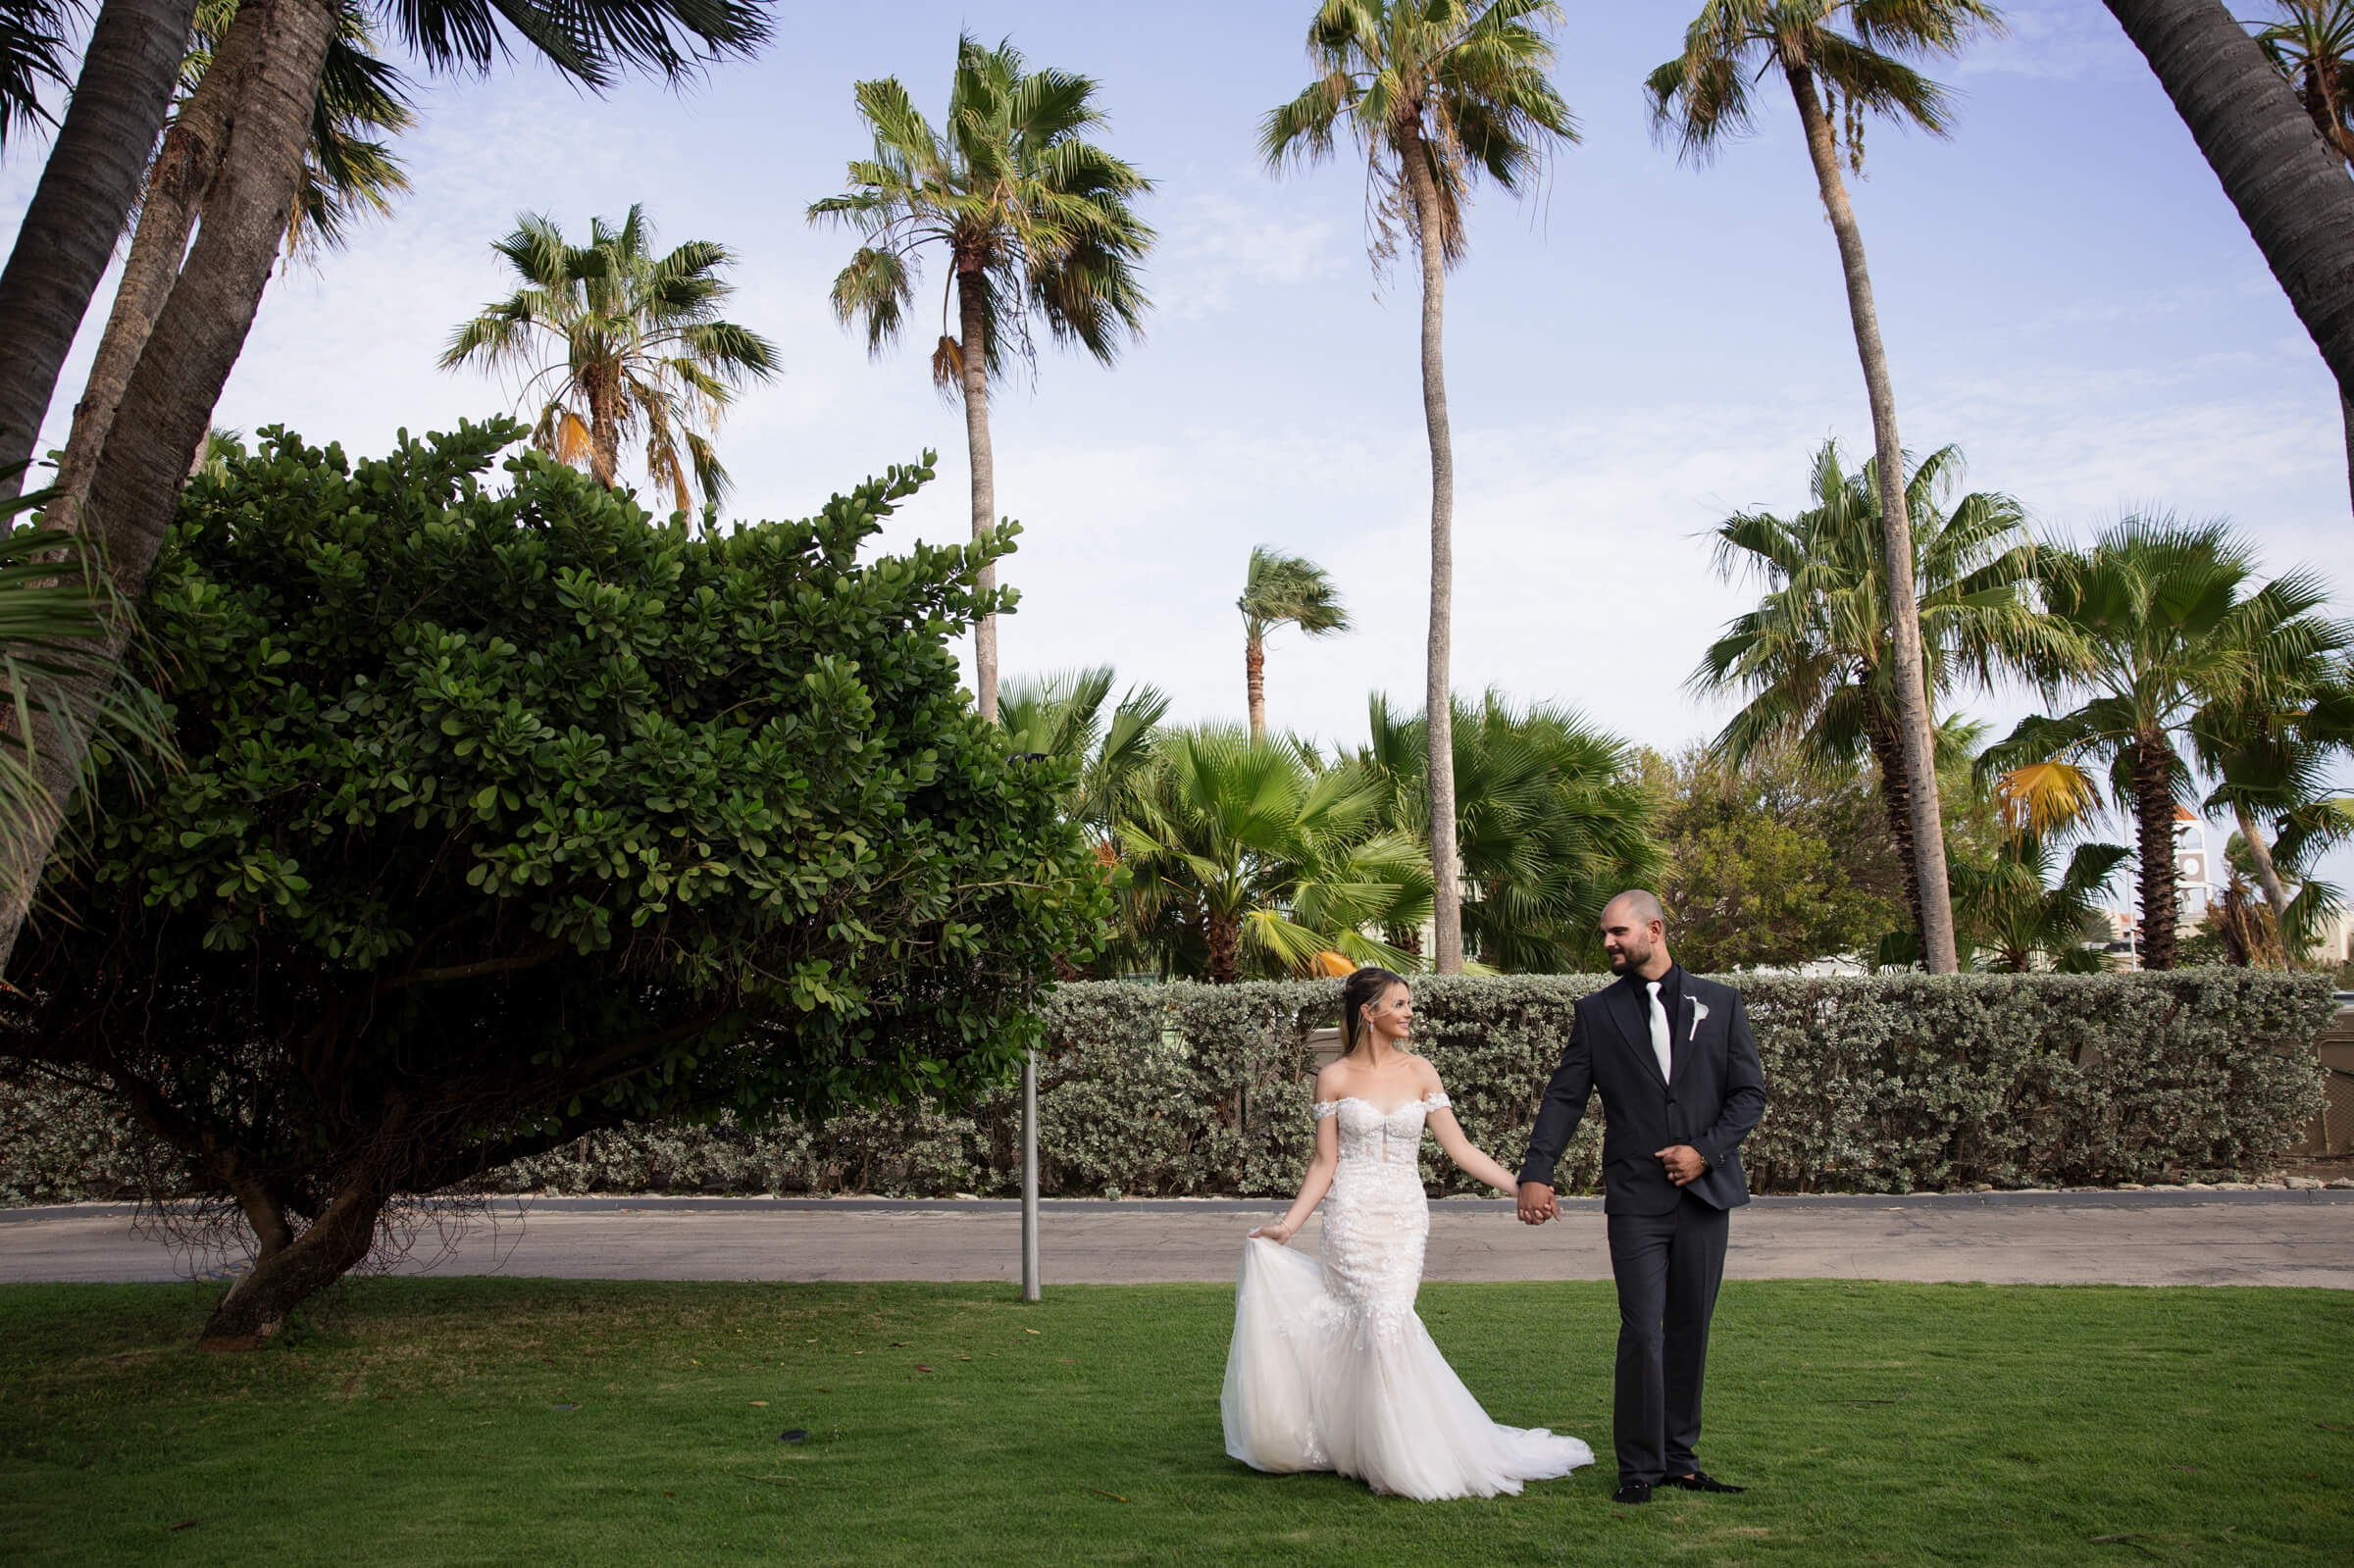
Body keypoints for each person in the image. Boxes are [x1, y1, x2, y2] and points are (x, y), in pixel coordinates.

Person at [1219, 967, 1594, 1500]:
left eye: (1409, 1004)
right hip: (1350, 1215)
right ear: (1368, 1013)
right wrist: (1287, 1224)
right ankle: (1372, 1450)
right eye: (1398, 1004)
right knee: (1365, 1327)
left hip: (1402, 1217)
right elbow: (1324, 1164)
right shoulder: (1334, 1078)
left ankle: (1402, 1452)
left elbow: (1460, 1150)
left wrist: (1522, 1186)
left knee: (1387, 1320)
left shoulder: (1422, 1072)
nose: (1410, 1013)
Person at [1517, 890, 1767, 1505]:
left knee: (1690, 1329)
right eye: (1605, 934)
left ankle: (1682, 1460)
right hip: (1633, 1198)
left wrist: (1704, 1151)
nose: (1608, 943)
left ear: (1654, 930)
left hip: (1705, 1196)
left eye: (1617, 933)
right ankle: (1639, 1467)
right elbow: (1565, 1098)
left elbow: (1749, 1095)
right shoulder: (1596, 1013)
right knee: (1642, 1331)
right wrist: (1536, 1171)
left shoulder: (1721, 1002)